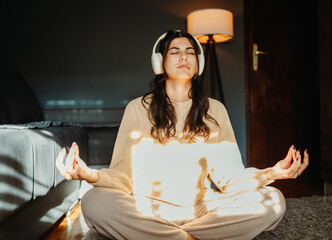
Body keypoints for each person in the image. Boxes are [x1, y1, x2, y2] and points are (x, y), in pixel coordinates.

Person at [56, 30, 309, 240]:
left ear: (199, 63)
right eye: (174, 52)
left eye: (190, 52)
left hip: (203, 208)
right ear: (160, 62)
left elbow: (230, 178)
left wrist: (272, 173)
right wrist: (90, 175)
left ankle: (165, 236)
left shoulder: (215, 110)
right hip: (147, 208)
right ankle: (190, 237)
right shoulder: (137, 108)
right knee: (93, 203)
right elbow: (124, 175)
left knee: (273, 200)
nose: (183, 56)